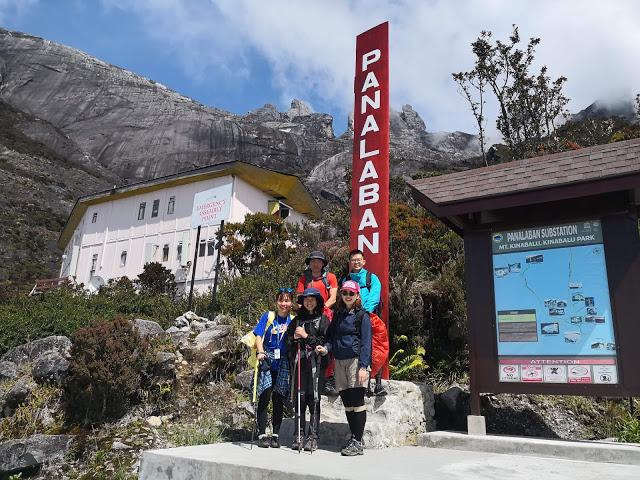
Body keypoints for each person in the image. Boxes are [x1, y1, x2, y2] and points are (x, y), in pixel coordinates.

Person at [316, 280, 371, 456]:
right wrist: (326, 349)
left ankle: (358, 440)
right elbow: (331, 338)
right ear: (341, 294)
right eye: (345, 293)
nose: (347, 296)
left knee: (357, 400)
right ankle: (354, 438)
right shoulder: (338, 315)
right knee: (347, 402)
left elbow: (366, 343)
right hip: (339, 361)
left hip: (355, 361)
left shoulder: (363, 316)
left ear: (357, 296)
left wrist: (363, 366)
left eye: (351, 293)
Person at [286, 288, 329, 452]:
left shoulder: (323, 320)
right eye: (306, 299)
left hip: (316, 366)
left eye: (312, 299)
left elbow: (324, 340)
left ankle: (313, 437)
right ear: (302, 302)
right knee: (300, 400)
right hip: (300, 365)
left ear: (317, 301)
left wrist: (305, 336)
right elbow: (288, 342)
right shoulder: (297, 321)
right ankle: (299, 434)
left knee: (314, 400)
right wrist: (294, 338)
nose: (309, 302)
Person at [254, 288, 295, 448]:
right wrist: (260, 352)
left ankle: (276, 434)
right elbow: (258, 335)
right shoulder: (269, 316)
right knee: (264, 395)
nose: (284, 304)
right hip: (267, 358)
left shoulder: (293, 320)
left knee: (278, 398)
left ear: (291, 302)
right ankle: (262, 433)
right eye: (281, 300)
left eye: (287, 300)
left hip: (284, 361)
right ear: (276, 302)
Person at [343, 249, 386, 396]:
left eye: (359, 259)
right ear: (350, 262)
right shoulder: (346, 279)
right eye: (353, 260)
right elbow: (344, 298)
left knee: (375, 347)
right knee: (358, 347)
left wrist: (363, 312)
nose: (356, 262)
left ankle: (377, 383)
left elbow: (375, 296)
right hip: (353, 318)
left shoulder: (371, 278)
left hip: (370, 316)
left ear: (364, 261)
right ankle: (361, 384)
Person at [296, 250, 339, 395]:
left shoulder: (330, 277)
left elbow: (333, 297)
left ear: (323, 263)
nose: (316, 264)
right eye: (313, 261)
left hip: (326, 315)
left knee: (327, 344)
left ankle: (329, 379)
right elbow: (300, 299)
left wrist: (321, 308)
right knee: (310, 346)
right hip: (308, 317)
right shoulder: (304, 279)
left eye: (319, 261)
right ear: (309, 263)